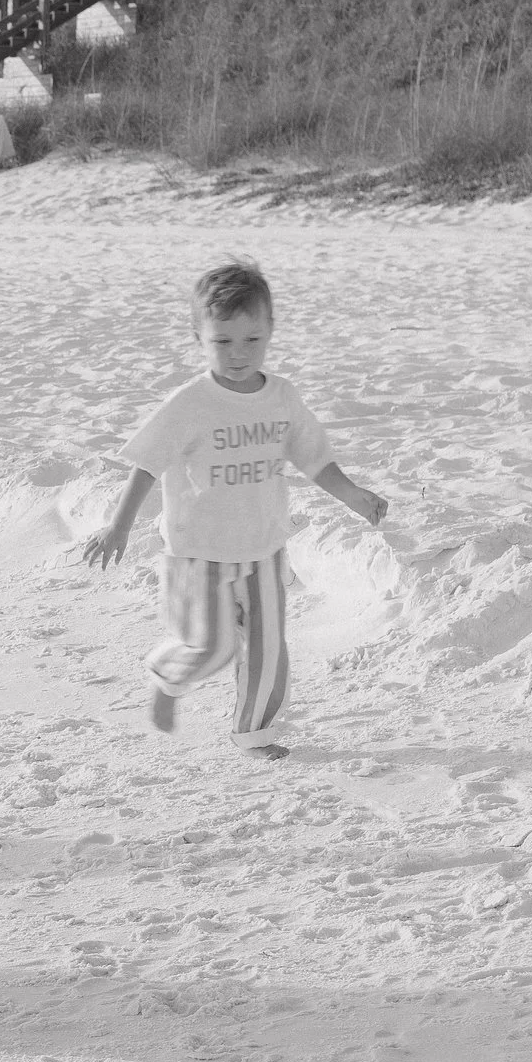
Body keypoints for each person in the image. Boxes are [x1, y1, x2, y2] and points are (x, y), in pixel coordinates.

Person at [81, 259, 390, 760]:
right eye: (222, 342)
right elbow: (146, 465)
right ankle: (167, 674)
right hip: (199, 553)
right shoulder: (191, 403)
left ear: (270, 332)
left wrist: (355, 496)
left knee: (270, 656)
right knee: (213, 648)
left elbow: (313, 457)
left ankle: (253, 734)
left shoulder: (281, 397)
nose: (239, 354)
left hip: (264, 548)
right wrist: (117, 528)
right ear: (199, 337)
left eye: (252, 340)